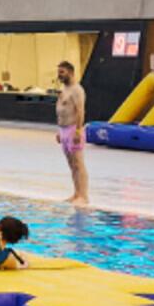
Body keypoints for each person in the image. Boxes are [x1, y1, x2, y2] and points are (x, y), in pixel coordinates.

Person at [53, 59, 91, 208]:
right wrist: (59, 130)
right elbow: (61, 111)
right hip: (63, 130)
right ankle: (76, 193)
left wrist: (78, 130)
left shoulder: (77, 90)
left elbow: (81, 111)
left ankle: (84, 195)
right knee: (71, 164)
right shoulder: (64, 90)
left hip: (73, 129)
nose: (59, 75)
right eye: (58, 72)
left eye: (62, 72)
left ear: (71, 72)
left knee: (78, 163)